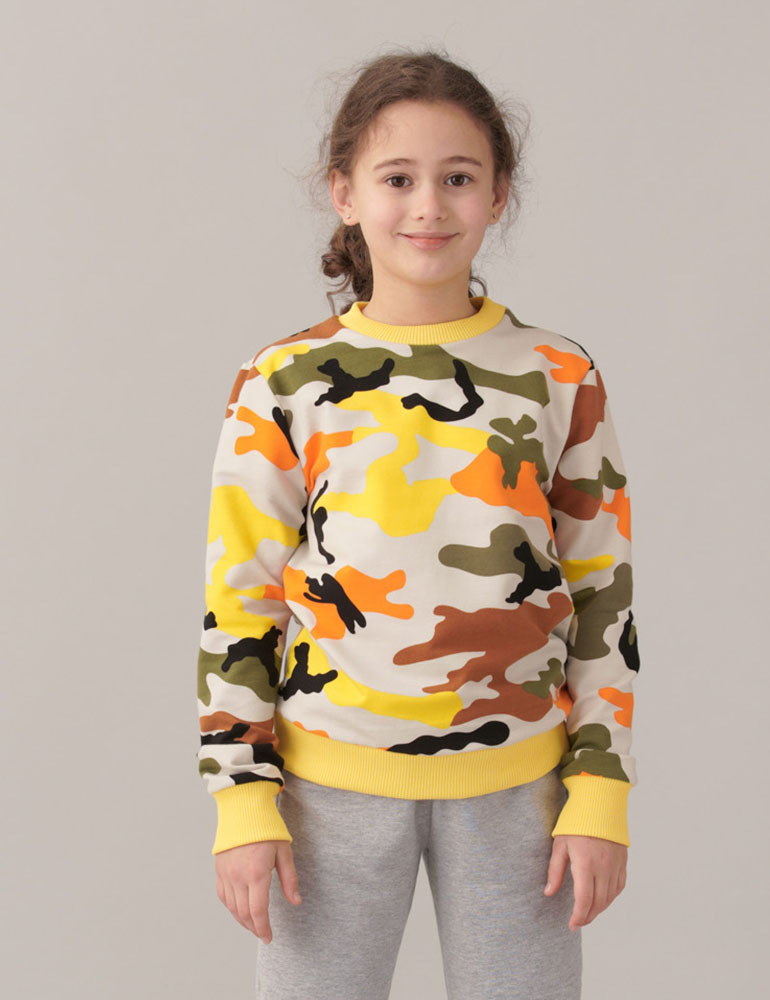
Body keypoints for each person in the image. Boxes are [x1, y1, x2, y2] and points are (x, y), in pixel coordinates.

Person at [196, 47, 639, 1000]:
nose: (429, 206)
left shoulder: (560, 375)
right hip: (326, 791)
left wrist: (600, 787)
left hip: (523, 790)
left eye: (459, 178)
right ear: (345, 193)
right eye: (397, 178)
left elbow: (604, 592)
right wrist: (242, 796)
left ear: (499, 194)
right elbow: (240, 597)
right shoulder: (284, 382)